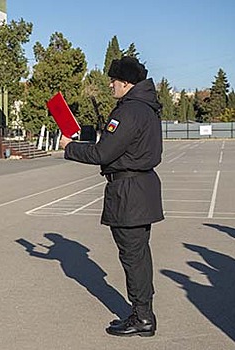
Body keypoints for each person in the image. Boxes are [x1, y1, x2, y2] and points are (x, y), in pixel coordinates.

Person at [59, 56, 163, 337]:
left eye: (114, 80)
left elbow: (102, 153)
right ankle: (143, 312)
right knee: (139, 255)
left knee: (133, 257)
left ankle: (142, 317)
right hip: (143, 188)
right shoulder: (148, 109)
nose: (110, 84)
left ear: (126, 83)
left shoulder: (128, 111)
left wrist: (70, 147)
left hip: (129, 192)